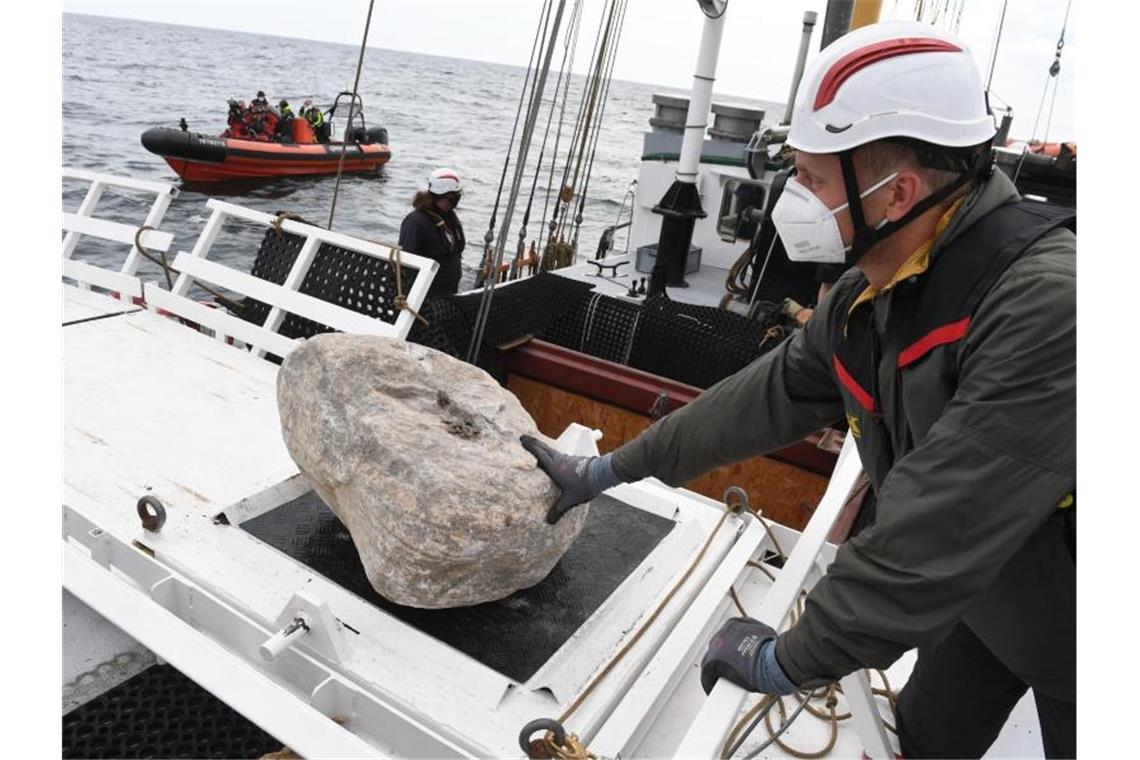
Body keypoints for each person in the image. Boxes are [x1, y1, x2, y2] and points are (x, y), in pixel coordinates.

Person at [521, 20, 1075, 759]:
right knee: (920, 744)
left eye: (812, 179)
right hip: (991, 601)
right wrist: (606, 469)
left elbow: (941, 525)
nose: (791, 199)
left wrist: (789, 659)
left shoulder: (1049, 306)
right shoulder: (873, 291)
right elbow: (759, 398)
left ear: (896, 192)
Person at [397, 169, 466, 300]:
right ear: (447, 196)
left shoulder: (450, 218)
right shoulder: (415, 221)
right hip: (425, 296)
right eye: (455, 195)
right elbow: (408, 262)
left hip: (448, 293)